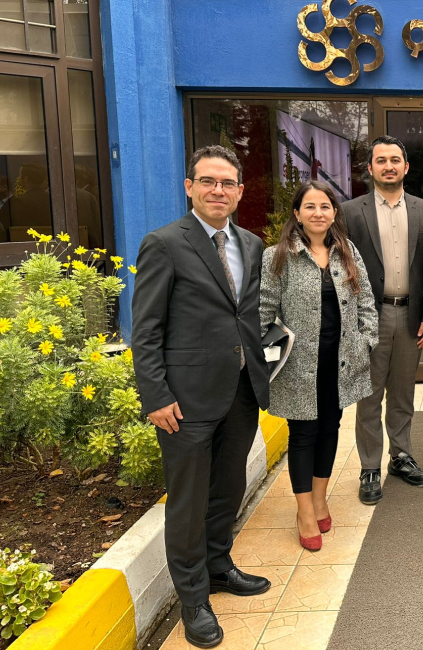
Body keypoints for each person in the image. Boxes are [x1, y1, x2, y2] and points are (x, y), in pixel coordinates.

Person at [131, 145, 271, 648]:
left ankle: (217, 567)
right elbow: (145, 330)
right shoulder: (164, 243)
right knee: (187, 502)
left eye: (228, 183)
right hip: (184, 401)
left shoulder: (251, 244)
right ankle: (193, 599)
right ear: (189, 187)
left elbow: (245, 315)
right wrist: (155, 395)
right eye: (208, 181)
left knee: (227, 489)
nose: (219, 190)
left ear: (238, 191)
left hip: (239, 392)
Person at [259, 180, 379, 550]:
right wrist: (268, 358)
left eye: (325, 206)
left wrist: (366, 339)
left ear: (334, 213)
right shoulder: (277, 255)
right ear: (297, 213)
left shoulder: (347, 252)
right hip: (298, 366)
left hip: (341, 361)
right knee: (304, 435)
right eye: (310, 206)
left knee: (330, 429)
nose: (318, 213)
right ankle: (304, 511)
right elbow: (263, 312)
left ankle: (321, 497)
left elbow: (366, 303)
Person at [343, 136, 423, 505]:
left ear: (406, 166)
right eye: (381, 160)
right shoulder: (350, 212)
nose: (388, 166)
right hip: (370, 317)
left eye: (395, 160)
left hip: (413, 315)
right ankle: (369, 466)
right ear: (370, 168)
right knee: (369, 395)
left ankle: (401, 456)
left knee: (403, 392)